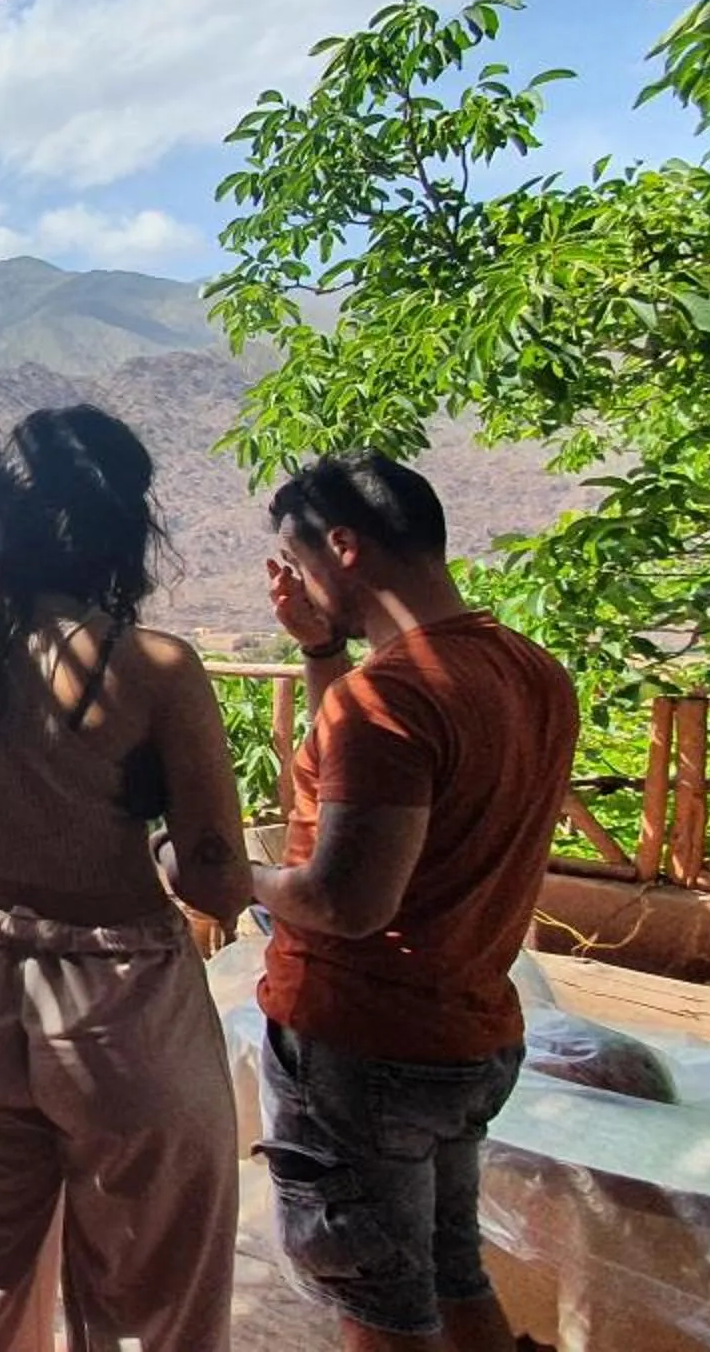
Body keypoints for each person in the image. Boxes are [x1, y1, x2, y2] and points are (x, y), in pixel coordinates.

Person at [0, 405, 252, 1351]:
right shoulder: (154, 668)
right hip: (122, 1003)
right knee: (152, 1301)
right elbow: (216, 885)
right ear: (120, 524)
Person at [248, 452, 576, 1352]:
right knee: (447, 1270)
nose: (302, 582)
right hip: (466, 1034)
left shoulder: (390, 700)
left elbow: (345, 900)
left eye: (302, 560)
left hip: (362, 1046)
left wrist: (227, 876)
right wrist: (322, 651)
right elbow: (348, 785)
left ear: (344, 547)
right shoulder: (526, 669)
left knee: (383, 1311)